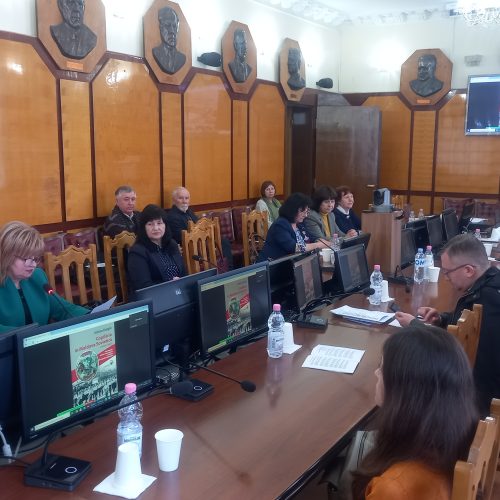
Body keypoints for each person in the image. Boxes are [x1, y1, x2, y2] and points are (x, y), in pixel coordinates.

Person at [351, 324, 478, 500]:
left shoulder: (395, 489)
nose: (376, 373)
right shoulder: (453, 436)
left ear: (406, 392)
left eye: (382, 367)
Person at [395, 233, 500, 417]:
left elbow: (453, 353)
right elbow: (469, 324)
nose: (445, 277)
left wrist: (415, 326)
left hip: (479, 404)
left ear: (468, 270)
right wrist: (442, 319)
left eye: (447, 272)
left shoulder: (489, 301)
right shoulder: (488, 284)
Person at [0, 221, 88, 333]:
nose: (32, 264)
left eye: (35, 258)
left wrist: (93, 315)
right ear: (6, 255)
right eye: (25, 258)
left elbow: (63, 309)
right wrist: (26, 335)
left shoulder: (37, 276)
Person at [166, 186, 233, 269]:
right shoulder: (172, 216)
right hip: (190, 246)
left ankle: (227, 269)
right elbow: (181, 237)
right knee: (221, 243)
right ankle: (225, 269)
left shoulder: (189, 212)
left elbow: (200, 225)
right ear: (174, 200)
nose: (184, 201)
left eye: (186, 198)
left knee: (223, 241)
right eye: (181, 198)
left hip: (201, 241)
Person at [127, 204, 185, 292]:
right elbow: (143, 286)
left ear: (165, 225)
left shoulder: (172, 244)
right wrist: (170, 285)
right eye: (150, 224)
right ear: (143, 228)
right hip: (154, 297)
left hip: (178, 292)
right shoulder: (137, 252)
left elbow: (183, 273)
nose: (156, 228)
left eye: (159, 223)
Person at [257, 192, 325, 261]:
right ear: (293, 209)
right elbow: (294, 248)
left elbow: (310, 238)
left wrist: (320, 241)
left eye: (307, 211)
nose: (306, 215)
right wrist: (317, 245)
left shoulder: (299, 224)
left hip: (296, 263)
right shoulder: (280, 225)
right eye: (303, 212)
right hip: (274, 264)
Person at [152, 6, 186, 75]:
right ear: (160, 27)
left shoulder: (181, 58)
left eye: (174, 26)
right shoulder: (156, 52)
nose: (172, 31)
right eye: (167, 25)